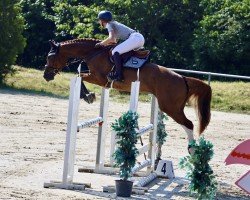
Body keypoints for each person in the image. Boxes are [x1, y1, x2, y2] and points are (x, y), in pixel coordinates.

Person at [95, 10, 145, 82]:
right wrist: (105, 44)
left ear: (103, 20)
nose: (99, 22)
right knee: (118, 51)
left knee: (115, 51)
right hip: (139, 39)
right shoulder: (113, 23)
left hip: (135, 38)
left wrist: (101, 44)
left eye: (99, 20)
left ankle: (119, 75)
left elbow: (111, 38)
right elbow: (113, 41)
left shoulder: (109, 24)